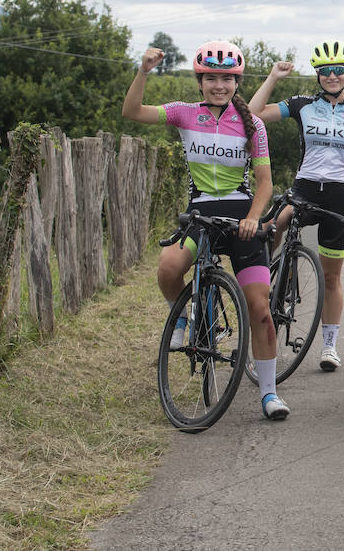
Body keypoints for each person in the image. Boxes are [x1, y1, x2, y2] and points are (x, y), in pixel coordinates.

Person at [123, 40, 290, 421]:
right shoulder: (185, 114)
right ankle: (184, 316)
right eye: (211, 78)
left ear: (237, 82)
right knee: (168, 266)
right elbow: (131, 111)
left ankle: (269, 393)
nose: (219, 85)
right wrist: (144, 71)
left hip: (241, 218)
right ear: (200, 81)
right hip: (200, 214)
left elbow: (264, 182)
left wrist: (253, 216)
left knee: (260, 310)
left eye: (227, 79)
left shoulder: (253, 124)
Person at [248, 40, 344, 373]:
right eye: (325, 72)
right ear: (318, 76)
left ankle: (330, 346)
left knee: (331, 279)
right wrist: (274, 76)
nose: (332, 76)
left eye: (338, 71)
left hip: (337, 195)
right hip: (304, 189)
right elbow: (254, 114)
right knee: (270, 227)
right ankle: (269, 279)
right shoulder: (302, 104)